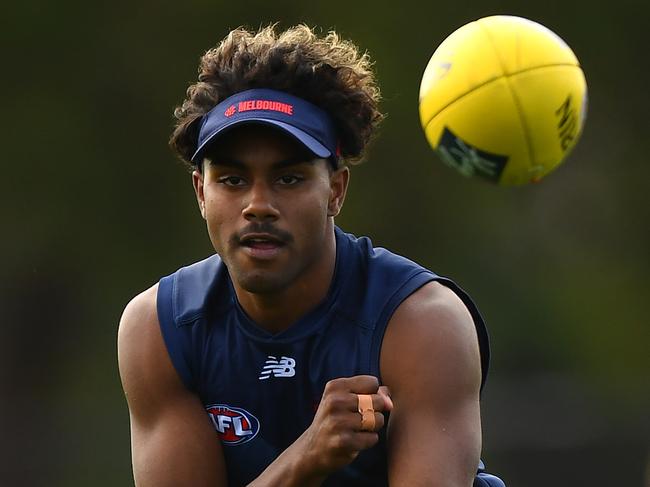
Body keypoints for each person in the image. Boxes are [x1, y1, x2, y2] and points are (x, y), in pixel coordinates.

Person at [117, 24, 505, 487]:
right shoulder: (160, 330)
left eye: (289, 179)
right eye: (233, 180)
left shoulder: (423, 322)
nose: (257, 204)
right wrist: (305, 459)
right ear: (201, 193)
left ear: (335, 191)